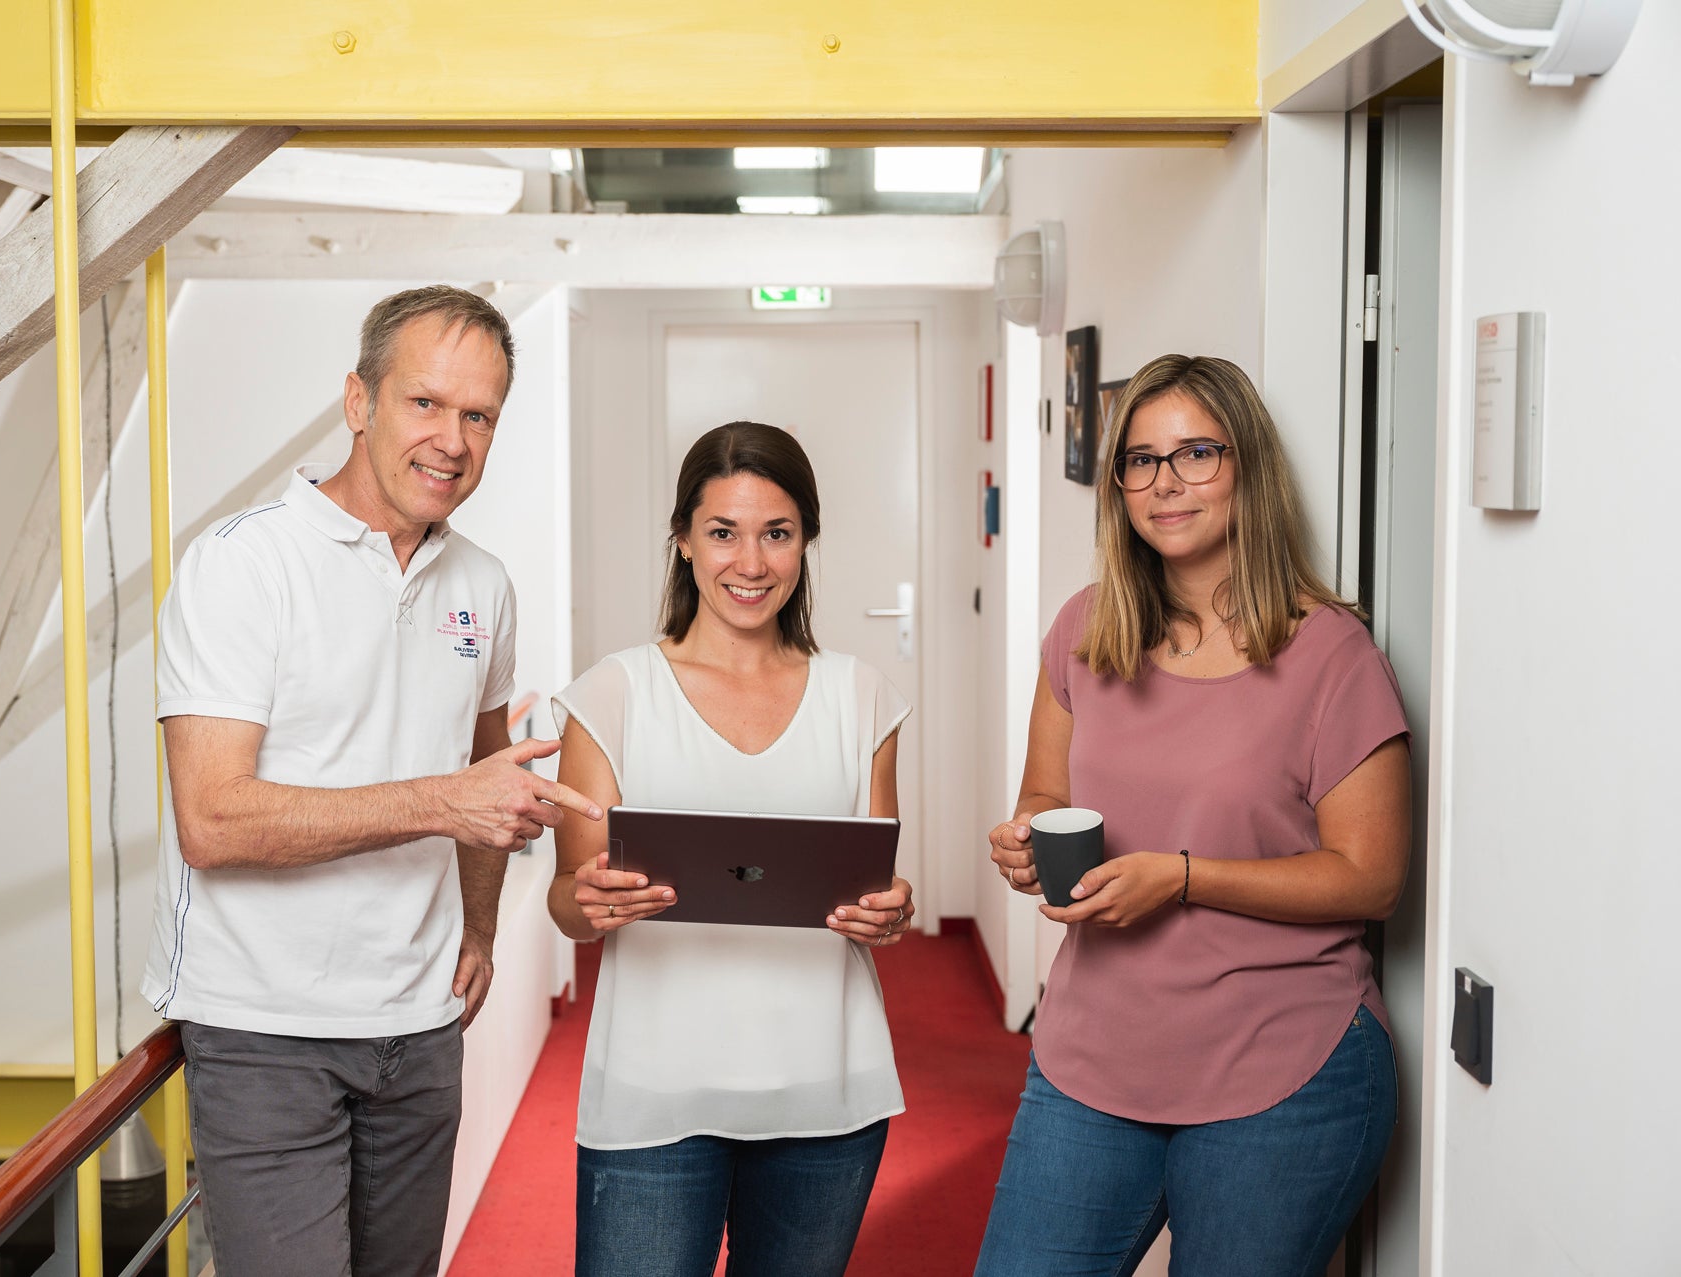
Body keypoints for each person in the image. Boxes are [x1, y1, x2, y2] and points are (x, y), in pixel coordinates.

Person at [141, 285, 603, 1277]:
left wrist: (478, 924)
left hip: (419, 1029)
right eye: (424, 403)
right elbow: (213, 821)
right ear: (358, 400)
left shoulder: (482, 584)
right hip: (266, 1031)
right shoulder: (242, 564)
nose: (452, 439)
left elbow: (488, 769)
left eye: (479, 415)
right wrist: (440, 801)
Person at [975, 355, 1411, 1276]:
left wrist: (1179, 877)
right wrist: (1025, 841)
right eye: (1139, 460)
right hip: (1092, 1056)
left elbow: (1370, 874)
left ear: (1248, 465)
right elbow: (1045, 797)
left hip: (1284, 1066)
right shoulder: (1086, 630)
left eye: (1196, 453)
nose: (1164, 482)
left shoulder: (1332, 654)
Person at [548, 422, 915, 1277]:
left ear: (805, 541)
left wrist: (887, 914)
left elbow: (878, 895)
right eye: (722, 532)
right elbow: (569, 902)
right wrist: (591, 899)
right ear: (682, 539)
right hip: (654, 1095)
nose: (750, 563)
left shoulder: (861, 697)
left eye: (776, 533)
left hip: (827, 1090)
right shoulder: (614, 693)